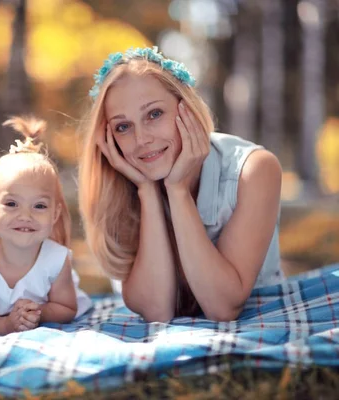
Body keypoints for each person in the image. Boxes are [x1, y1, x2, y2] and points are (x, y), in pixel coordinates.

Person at [78, 46, 284, 322]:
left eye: (154, 114)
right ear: (109, 139)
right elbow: (156, 311)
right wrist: (147, 192)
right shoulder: (117, 188)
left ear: (186, 107)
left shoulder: (254, 170)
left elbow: (222, 307)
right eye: (123, 127)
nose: (142, 139)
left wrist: (178, 191)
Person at [0, 116, 92, 335]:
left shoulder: (57, 260)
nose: (25, 215)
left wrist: (38, 312)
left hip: (37, 310)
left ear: (55, 213)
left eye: (39, 206)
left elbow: (66, 308)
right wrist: (6, 325)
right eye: (11, 204)